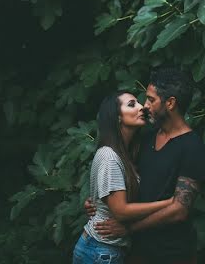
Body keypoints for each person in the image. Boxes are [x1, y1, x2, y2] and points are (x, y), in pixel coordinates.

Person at [88, 68, 205, 264]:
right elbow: (123, 180)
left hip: (172, 253)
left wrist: (129, 228)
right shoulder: (146, 138)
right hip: (137, 250)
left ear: (170, 103)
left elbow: (180, 210)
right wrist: (99, 203)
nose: (145, 106)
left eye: (151, 100)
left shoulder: (192, 147)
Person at [73, 91, 175, 264]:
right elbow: (121, 211)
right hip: (101, 251)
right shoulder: (110, 157)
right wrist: (171, 202)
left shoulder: (128, 153)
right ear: (117, 117)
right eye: (131, 104)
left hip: (105, 250)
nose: (142, 107)